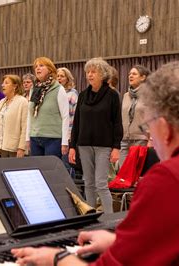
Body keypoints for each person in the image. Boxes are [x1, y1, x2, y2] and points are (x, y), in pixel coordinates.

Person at [12, 61, 179, 265]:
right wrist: (119, 242)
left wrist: (57, 258)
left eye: (148, 125)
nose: (150, 133)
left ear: (164, 127)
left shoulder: (173, 179)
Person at [69, 58, 122, 214]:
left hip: (104, 145)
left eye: (94, 72)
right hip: (84, 144)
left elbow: (117, 122)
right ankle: (90, 218)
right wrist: (72, 146)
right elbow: (76, 122)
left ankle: (109, 219)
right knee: (88, 183)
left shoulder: (112, 95)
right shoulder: (83, 95)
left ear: (103, 74)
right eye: (88, 72)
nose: (90, 75)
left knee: (101, 184)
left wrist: (116, 147)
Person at [26, 57, 69, 159]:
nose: (38, 69)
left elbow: (66, 116)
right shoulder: (34, 89)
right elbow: (30, 115)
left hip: (53, 138)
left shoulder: (58, 89)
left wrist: (64, 142)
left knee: (49, 172)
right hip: (35, 137)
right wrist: (27, 137)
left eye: (41, 66)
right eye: (36, 66)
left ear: (50, 69)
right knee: (37, 170)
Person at [119, 65, 151, 167]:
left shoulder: (149, 94)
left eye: (134, 74)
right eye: (129, 74)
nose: (130, 76)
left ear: (143, 77)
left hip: (141, 140)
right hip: (124, 140)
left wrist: (151, 140)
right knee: (122, 174)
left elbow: (153, 119)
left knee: (136, 174)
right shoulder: (126, 95)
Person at [0, 74, 28, 158]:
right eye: (3, 83)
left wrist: (21, 147)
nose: (3, 85)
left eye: (6, 83)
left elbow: (25, 127)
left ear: (15, 86)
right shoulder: (2, 102)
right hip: (2, 146)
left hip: (15, 148)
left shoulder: (22, 102)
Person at [57, 67, 78, 175]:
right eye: (58, 76)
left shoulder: (72, 94)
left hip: (68, 133)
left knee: (66, 164)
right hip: (56, 133)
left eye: (62, 76)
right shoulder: (55, 93)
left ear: (67, 78)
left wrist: (70, 135)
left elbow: (74, 116)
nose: (59, 78)